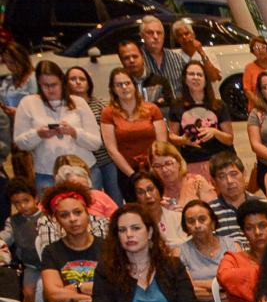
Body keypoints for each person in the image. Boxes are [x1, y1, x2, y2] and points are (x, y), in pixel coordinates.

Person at [13, 61, 102, 194]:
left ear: (62, 81)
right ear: (38, 83)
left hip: (85, 171)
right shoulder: (27, 103)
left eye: (54, 84)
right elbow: (20, 143)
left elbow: (96, 143)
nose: (50, 89)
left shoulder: (79, 102)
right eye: (45, 85)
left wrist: (74, 132)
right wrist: (38, 134)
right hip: (48, 175)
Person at [100, 67, 167, 203]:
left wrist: (154, 170)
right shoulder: (108, 113)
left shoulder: (152, 109)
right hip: (127, 173)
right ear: (113, 89)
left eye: (127, 83)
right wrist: (133, 176)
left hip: (155, 169)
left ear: (134, 85)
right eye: (119, 85)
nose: (124, 88)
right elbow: (112, 150)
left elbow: (162, 144)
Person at [38, 186, 105, 302]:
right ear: (57, 220)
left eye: (77, 212)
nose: (72, 219)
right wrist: (85, 291)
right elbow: (53, 294)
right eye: (64, 215)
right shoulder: (51, 251)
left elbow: (114, 290)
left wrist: (73, 288)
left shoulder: (106, 247)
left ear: (87, 213)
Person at [167, 60, 231, 180]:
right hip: (191, 160)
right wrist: (182, 140)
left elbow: (229, 139)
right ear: (185, 79)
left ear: (206, 80)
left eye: (199, 75)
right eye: (191, 74)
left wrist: (215, 132)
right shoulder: (177, 105)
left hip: (218, 160)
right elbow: (171, 136)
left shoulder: (219, 105)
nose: (195, 78)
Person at [64, 66, 118, 199]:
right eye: (73, 79)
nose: (78, 82)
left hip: (107, 159)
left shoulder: (101, 104)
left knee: (115, 197)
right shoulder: (64, 107)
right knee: (92, 198)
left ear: (89, 83)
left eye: (82, 79)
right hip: (83, 163)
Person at [205, 151, 267, 241]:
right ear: (214, 181)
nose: (229, 181)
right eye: (222, 176)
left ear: (244, 174)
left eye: (234, 174)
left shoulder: (265, 205)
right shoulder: (208, 212)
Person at [216, 200, 267, 302]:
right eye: (249, 228)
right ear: (243, 233)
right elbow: (225, 276)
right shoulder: (233, 259)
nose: (257, 232)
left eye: (262, 226)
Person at [177, 198, 238, 296]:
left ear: (213, 222)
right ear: (186, 227)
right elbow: (189, 290)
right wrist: (222, 289)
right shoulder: (180, 252)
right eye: (191, 221)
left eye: (202, 219)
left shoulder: (232, 245)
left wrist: (199, 283)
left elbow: (239, 281)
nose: (197, 225)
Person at [0, 184, 44, 302]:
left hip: (49, 263)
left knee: (45, 291)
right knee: (28, 292)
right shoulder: (13, 221)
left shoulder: (47, 216)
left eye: (26, 201)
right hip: (30, 265)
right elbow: (6, 236)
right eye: (17, 203)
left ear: (36, 199)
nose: (22, 206)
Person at [149, 141, 215, 221]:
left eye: (168, 163)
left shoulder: (197, 182)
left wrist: (187, 214)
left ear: (179, 162)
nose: (164, 170)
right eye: (157, 166)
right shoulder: (154, 191)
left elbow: (215, 212)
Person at [128, 169, 183, 250]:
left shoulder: (179, 218)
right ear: (135, 197)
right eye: (141, 192)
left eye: (150, 189)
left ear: (159, 190)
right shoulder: (133, 226)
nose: (148, 196)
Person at [0, 42, 37, 159]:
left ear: (22, 60)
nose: (10, 66)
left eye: (12, 62)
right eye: (7, 62)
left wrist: (18, 112)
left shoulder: (33, 79)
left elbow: (37, 106)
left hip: (29, 128)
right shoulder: (8, 80)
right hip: (10, 129)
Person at [137, 16, 187, 101]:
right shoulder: (137, 60)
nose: (156, 37)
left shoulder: (177, 59)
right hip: (149, 110)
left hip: (176, 110)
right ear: (142, 36)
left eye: (159, 33)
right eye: (150, 33)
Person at [169, 19, 222, 86]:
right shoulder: (174, 57)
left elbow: (214, 77)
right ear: (177, 39)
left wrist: (202, 53)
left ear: (193, 34)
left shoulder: (207, 53)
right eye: (180, 35)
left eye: (186, 33)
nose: (184, 37)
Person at [241, 35, 267, 108]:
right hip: (258, 107)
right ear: (253, 52)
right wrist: (260, 103)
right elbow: (247, 90)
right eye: (256, 48)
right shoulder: (249, 68)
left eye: (263, 47)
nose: (260, 50)